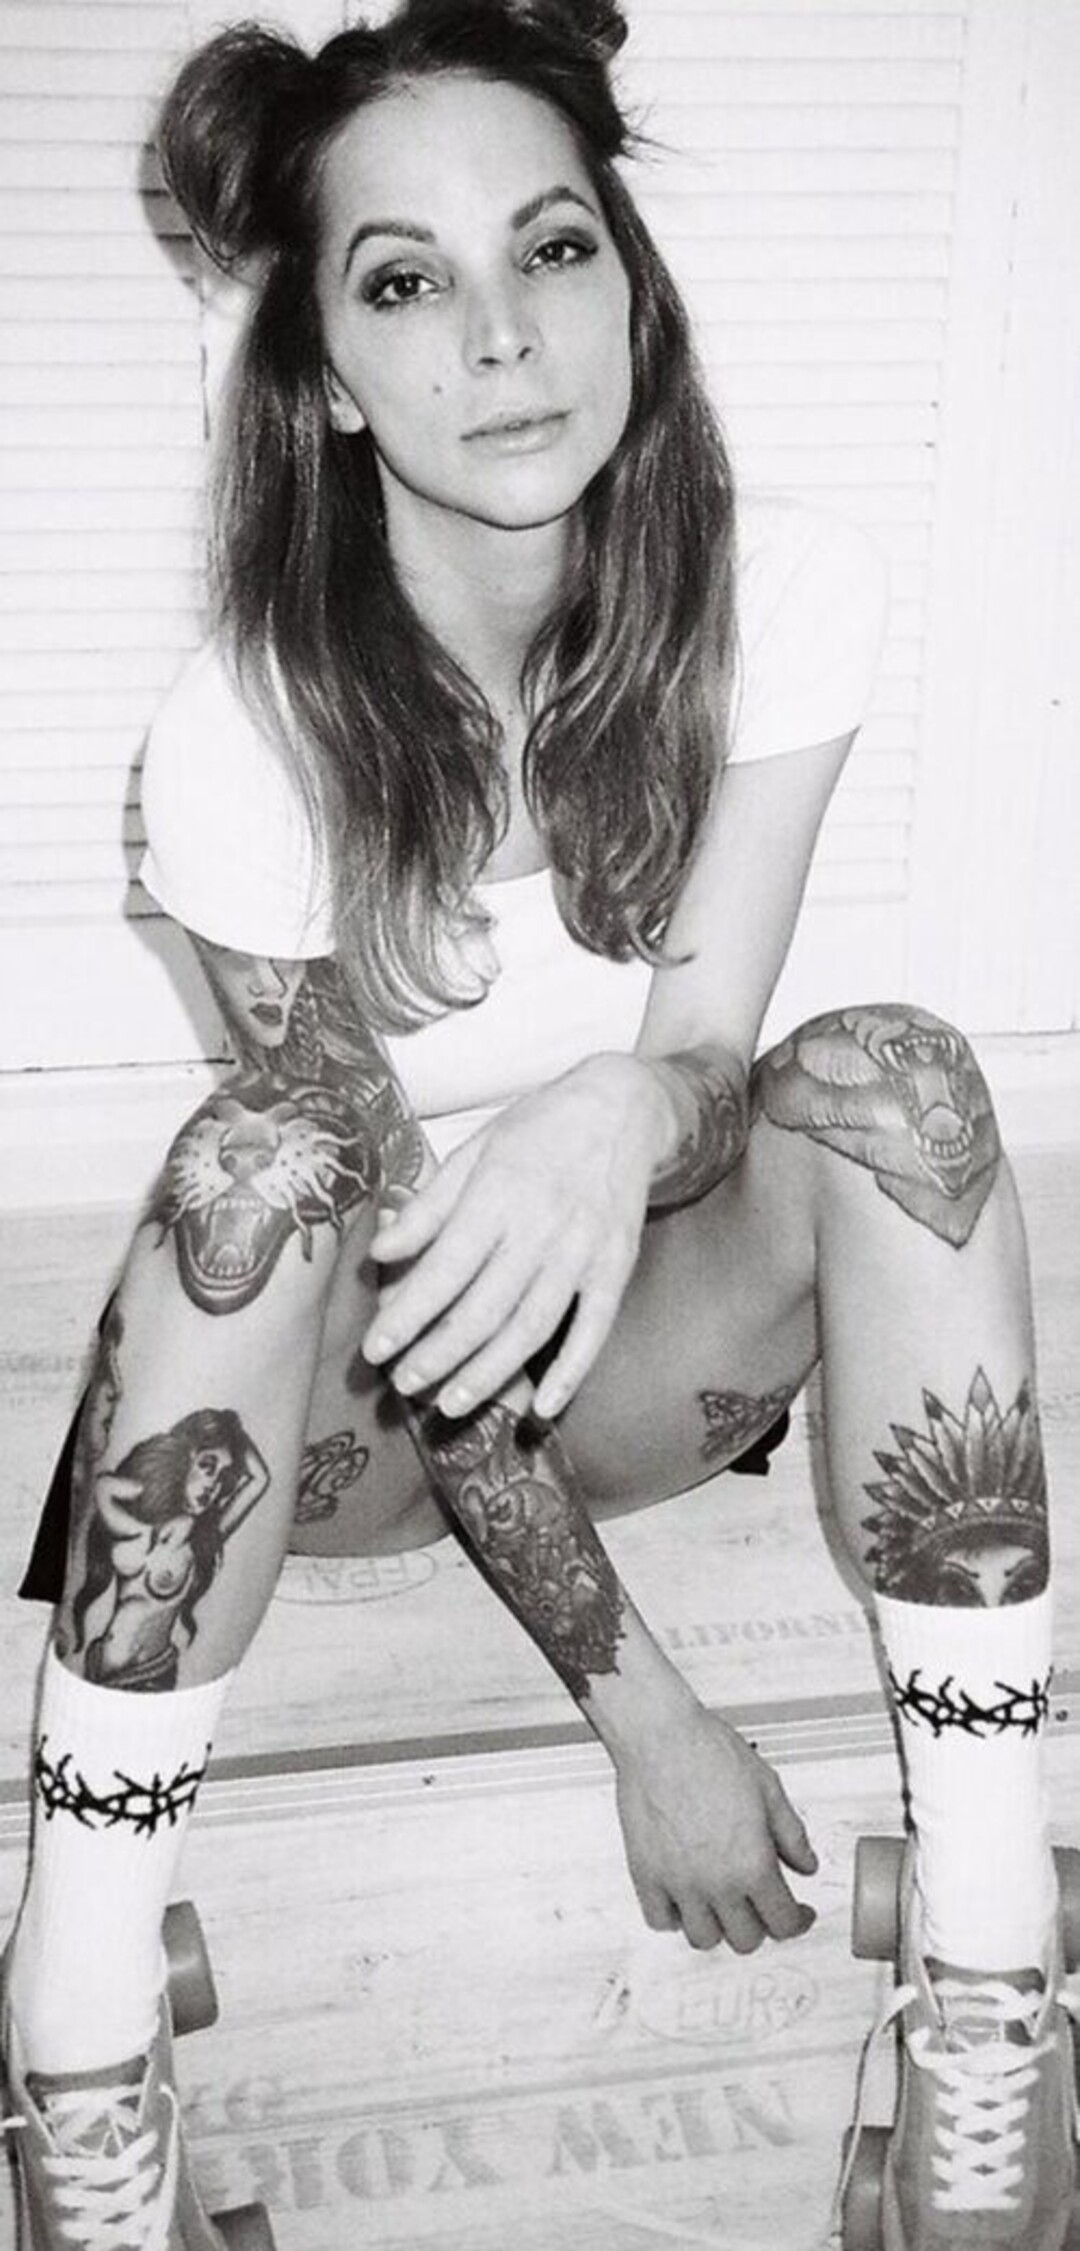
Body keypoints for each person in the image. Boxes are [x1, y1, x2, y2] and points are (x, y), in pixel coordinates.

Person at [2, 3, 1074, 2245]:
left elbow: (714, 1058)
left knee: (901, 1074)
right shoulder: (237, 742)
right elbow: (394, 1284)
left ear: (629, 283)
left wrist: (617, 1103)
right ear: (323, 369)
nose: (501, 338)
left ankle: (993, 1979)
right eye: (405, 281)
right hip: (351, 1433)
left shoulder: (783, 594)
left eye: (552, 248)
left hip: (642, 1362)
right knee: (262, 1159)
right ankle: (77, 2042)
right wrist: (649, 1717)